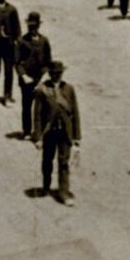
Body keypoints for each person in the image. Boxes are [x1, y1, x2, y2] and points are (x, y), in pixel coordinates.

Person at [33, 60, 81, 202]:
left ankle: (63, 192)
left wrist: (76, 136)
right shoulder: (42, 89)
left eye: (59, 73)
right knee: (47, 160)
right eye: (54, 73)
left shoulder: (69, 89)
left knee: (64, 162)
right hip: (49, 132)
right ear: (49, 74)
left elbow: (75, 113)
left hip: (65, 132)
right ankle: (46, 187)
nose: (56, 76)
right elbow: (37, 115)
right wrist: (38, 137)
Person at [15, 12, 52, 140]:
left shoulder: (44, 41)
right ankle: (26, 130)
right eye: (30, 26)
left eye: (35, 26)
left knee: (42, 106)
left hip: (40, 78)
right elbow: (17, 62)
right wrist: (23, 75)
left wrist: (43, 78)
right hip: (27, 79)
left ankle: (39, 131)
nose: (33, 29)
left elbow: (48, 61)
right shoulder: (21, 41)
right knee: (27, 105)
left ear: (38, 26)